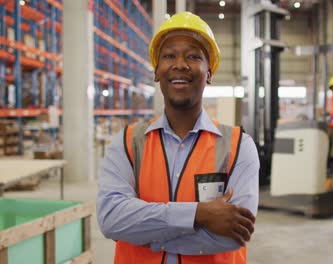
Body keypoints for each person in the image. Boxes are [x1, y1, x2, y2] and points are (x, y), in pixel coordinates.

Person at [97, 12, 259, 263]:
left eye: (194, 56)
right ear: (157, 72)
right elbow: (111, 219)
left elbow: (233, 234)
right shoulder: (128, 143)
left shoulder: (239, 147)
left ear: (209, 72)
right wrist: (198, 214)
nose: (180, 64)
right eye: (169, 55)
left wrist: (147, 234)